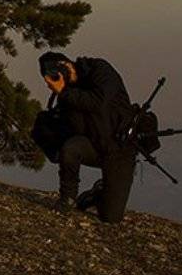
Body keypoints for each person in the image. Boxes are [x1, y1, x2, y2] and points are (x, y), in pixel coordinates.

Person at [39, 51, 137, 223]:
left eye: (55, 76)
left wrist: (64, 92)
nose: (52, 83)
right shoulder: (65, 95)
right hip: (93, 146)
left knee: (111, 217)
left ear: (66, 65)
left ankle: (97, 194)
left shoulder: (99, 70)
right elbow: (71, 131)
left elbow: (98, 102)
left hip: (120, 149)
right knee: (71, 148)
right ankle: (67, 198)